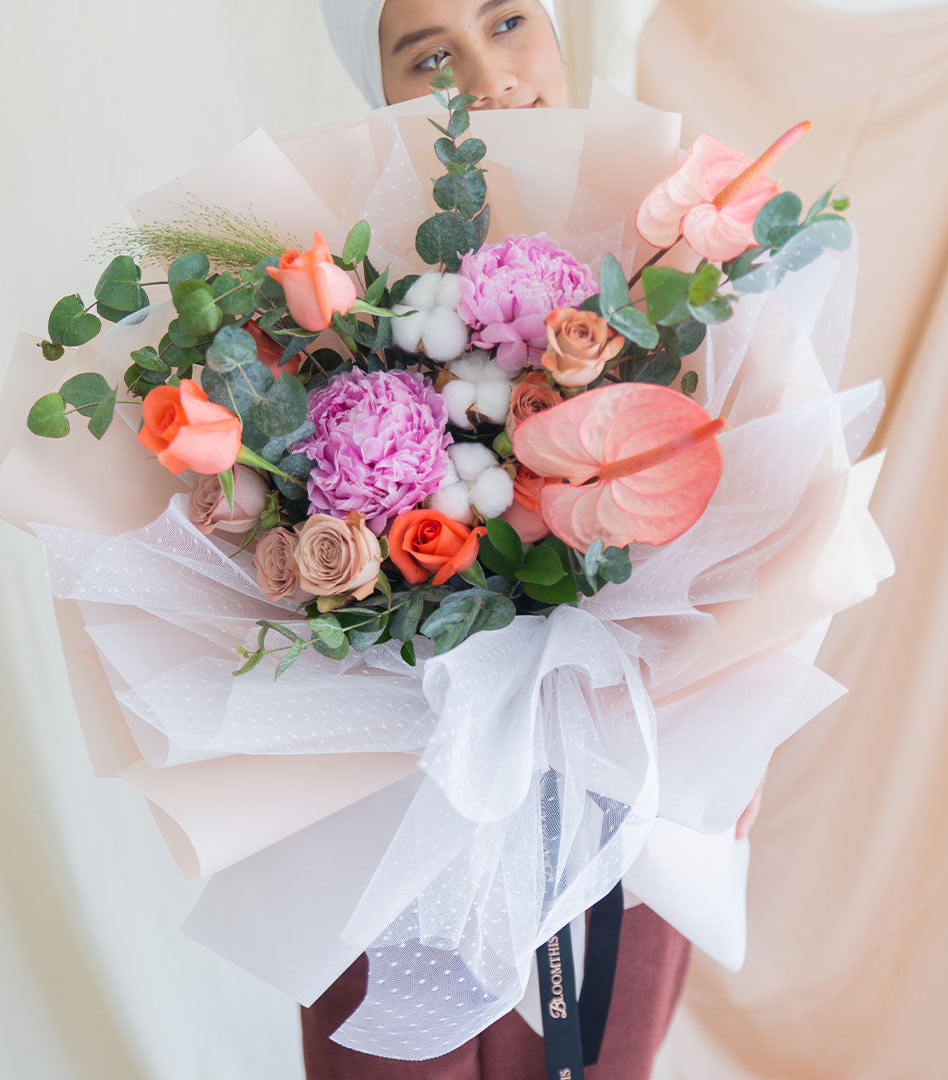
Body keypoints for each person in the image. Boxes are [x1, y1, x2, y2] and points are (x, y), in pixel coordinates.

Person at [306, 3, 767, 1076]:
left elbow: (758, 534)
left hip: (623, 793)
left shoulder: (679, 266)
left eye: (509, 20)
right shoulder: (327, 299)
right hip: (401, 809)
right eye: (429, 55)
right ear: (379, 89)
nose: (489, 78)